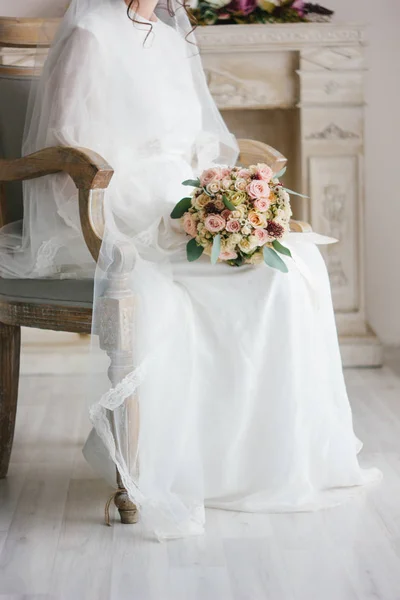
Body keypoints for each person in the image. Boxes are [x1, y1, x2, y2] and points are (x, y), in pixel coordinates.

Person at [0, 0, 380, 540]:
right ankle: (219, 466)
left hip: (180, 195)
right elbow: (67, 152)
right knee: (257, 282)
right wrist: (146, 220)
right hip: (116, 205)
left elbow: (198, 140)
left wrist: (222, 197)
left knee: (297, 266)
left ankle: (269, 457)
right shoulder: (90, 31)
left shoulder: (172, 33)